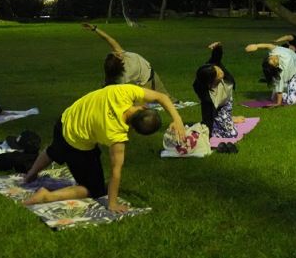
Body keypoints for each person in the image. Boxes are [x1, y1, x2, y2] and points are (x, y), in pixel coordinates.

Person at [22, 84, 185, 212]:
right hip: (76, 144)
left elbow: (161, 97)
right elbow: (116, 171)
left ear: (143, 107)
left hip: (65, 120)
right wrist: (112, 203)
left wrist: (177, 119)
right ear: (134, 129)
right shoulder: (117, 135)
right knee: (95, 189)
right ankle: (47, 196)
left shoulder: (123, 92)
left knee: (55, 149)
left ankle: (30, 175)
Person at [81, 23, 176, 100]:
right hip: (146, 79)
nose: (116, 52)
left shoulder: (121, 56)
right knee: (159, 100)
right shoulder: (123, 76)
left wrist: (95, 29)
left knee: (167, 98)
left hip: (148, 75)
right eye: (115, 54)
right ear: (119, 61)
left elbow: (109, 39)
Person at [192, 42, 245, 138]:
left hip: (226, 99)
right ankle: (222, 118)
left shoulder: (210, 67)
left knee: (229, 130)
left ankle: (228, 117)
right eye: (218, 74)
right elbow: (207, 116)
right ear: (211, 82)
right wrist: (207, 135)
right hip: (218, 104)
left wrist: (218, 47)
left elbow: (216, 57)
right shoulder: (206, 96)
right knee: (231, 134)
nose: (221, 71)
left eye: (218, 69)